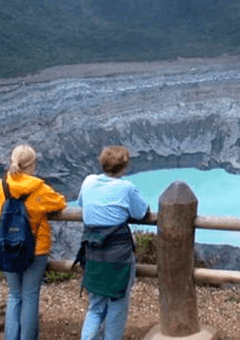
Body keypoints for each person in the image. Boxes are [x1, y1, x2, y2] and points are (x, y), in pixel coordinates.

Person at [0, 144, 66, 340]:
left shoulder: (1, 186)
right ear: (32, 164)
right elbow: (59, 202)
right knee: (30, 295)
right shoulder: (38, 187)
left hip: (7, 246)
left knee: (14, 295)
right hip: (35, 248)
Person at [77, 145, 149, 340]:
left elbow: (81, 204)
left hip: (92, 253)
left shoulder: (88, 181)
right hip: (119, 258)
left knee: (95, 306)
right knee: (117, 307)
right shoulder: (126, 188)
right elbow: (141, 212)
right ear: (124, 166)